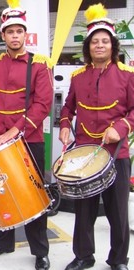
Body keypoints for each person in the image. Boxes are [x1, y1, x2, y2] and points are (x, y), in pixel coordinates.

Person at [0, 1, 53, 269]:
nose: (16, 36)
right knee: (2, 190)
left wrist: (14, 131)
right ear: (3, 35)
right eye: (10, 31)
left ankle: (40, 251)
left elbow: (42, 105)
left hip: (28, 139)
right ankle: (4, 242)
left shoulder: (39, 64)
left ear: (25, 34)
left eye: (20, 31)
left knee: (33, 194)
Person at [58, 4, 133, 270]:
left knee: (117, 212)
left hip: (116, 154)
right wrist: (65, 123)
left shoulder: (128, 74)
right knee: (84, 210)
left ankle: (118, 260)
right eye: (94, 42)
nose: (99, 46)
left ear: (112, 45)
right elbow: (68, 107)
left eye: (105, 41)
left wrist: (121, 127)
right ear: (88, 47)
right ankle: (83, 256)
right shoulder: (78, 76)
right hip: (84, 154)